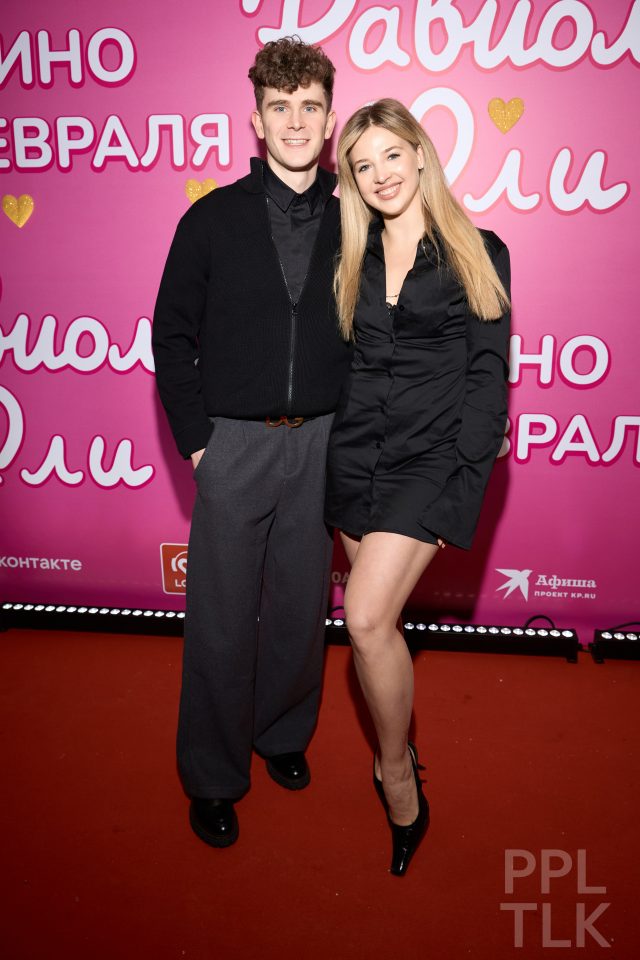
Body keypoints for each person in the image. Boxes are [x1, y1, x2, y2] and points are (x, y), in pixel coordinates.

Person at [152, 37, 351, 848]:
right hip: (233, 444)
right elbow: (171, 335)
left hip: (324, 442)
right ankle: (211, 775)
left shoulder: (359, 215)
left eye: (310, 107)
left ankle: (283, 734)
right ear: (257, 121)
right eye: (280, 108)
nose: (296, 122)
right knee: (223, 619)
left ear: (330, 120)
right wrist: (200, 443)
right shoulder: (210, 219)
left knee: (303, 608)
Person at [325, 99, 511, 876]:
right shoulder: (352, 259)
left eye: (391, 155)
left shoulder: (476, 248)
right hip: (353, 457)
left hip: (429, 462)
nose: (380, 175)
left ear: (421, 153)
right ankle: (397, 744)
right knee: (382, 630)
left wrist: (462, 484)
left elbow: (488, 377)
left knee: (365, 620)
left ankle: (396, 772)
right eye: (362, 165)